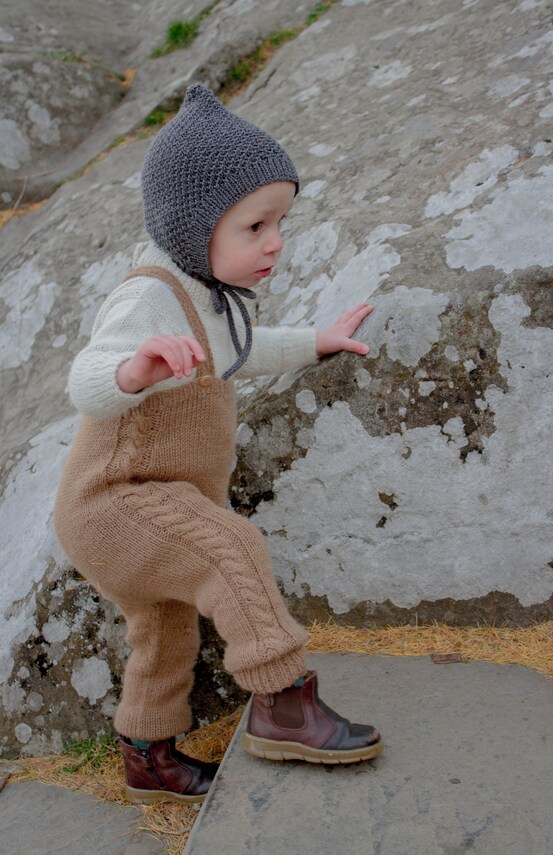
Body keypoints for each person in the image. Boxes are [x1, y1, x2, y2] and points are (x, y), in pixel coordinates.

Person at [54, 84, 382, 807]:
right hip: (115, 501)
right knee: (232, 549)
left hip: (146, 505)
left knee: (166, 629)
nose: (274, 242)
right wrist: (133, 371)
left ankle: (148, 753)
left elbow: (239, 349)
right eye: (255, 226)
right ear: (190, 225)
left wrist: (316, 341)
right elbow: (84, 379)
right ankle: (282, 702)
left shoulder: (207, 292)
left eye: (280, 223)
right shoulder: (149, 297)